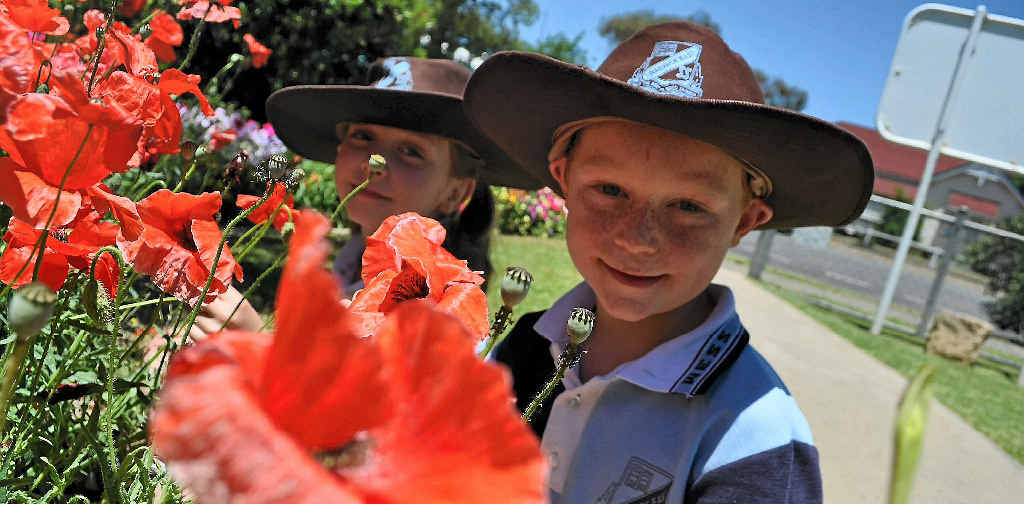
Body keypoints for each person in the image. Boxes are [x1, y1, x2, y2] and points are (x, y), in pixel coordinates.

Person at [464, 22, 874, 503]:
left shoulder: (756, 438)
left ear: (744, 221)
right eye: (610, 190)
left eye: (688, 207)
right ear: (564, 179)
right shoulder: (517, 350)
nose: (638, 239)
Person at [190, 57, 540, 337]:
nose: (377, 164)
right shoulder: (351, 259)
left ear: (456, 192)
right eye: (363, 136)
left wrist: (259, 345)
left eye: (411, 151)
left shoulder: (438, 302)